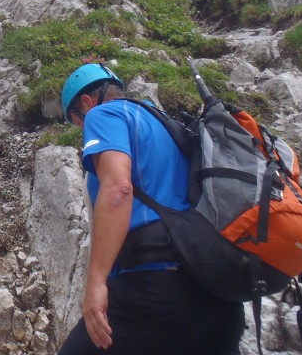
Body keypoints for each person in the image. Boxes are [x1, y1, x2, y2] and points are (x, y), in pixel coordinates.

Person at [56, 63, 245, 355]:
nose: (82, 128)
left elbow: (119, 188)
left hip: (156, 288)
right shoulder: (165, 123)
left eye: (76, 121)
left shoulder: (102, 114)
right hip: (218, 295)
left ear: (86, 103)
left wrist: (96, 281)